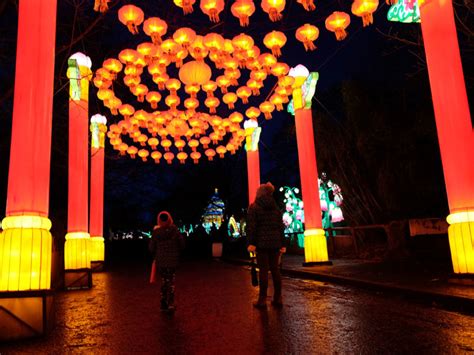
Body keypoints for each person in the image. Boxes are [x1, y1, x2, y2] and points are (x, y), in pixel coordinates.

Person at [247, 182, 286, 309]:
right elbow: (281, 227)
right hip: (275, 243)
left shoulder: (254, 207)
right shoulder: (276, 208)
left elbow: (252, 227)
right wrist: (283, 243)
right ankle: (278, 298)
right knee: (275, 270)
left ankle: (262, 300)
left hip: (261, 243)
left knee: (263, 271)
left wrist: (251, 243)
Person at [149, 211, 185, 312]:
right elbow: (182, 245)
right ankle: (171, 303)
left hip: (161, 261)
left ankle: (163, 303)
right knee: (171, 282)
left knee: (164, 282)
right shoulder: (175, 231)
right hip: (173, 261)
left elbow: (151, 248)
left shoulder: (156, 232)